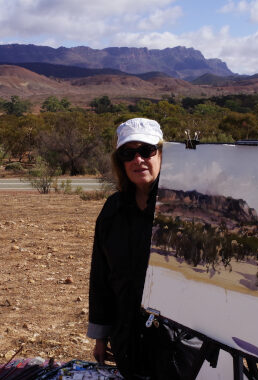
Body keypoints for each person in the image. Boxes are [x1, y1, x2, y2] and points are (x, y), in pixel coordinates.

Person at [86, 118, 165, 378]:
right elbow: (101, 278)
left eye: (146, 150)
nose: (138, 159)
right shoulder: (113, 210)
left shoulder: (182, 210)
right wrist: (101, 336)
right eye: (128, 153)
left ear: (162, 153)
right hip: (127, 338)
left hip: (177, 345)